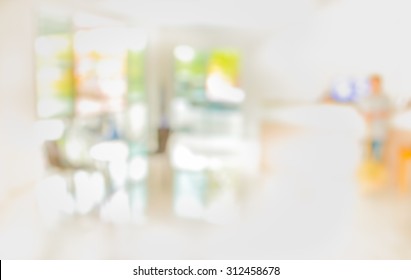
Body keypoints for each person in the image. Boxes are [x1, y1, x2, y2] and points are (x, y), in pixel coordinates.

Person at [358, 74, 392, 162]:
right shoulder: (366, 98)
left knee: (378, 155)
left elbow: (388, 112)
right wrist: (367, 115)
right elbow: (363, 112)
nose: (374, 86)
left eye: (376, 83)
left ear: (380, 84)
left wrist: (375, 115)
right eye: (372, 83)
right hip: (368, 131)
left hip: (380, 131)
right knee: (367, 155)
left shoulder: (385, 98)